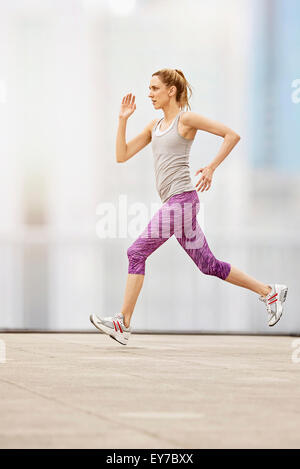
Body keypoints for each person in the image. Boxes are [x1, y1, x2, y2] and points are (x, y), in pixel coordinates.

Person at [90, 68, 288, 345]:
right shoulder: (153, 126)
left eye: (155, 89)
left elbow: (231, 135)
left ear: (172, 91)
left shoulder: (186, 119)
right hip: (178, 204)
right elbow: (121, 155)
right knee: (209, 265)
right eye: (149, 89)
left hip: (182, 202)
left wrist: (211, 167)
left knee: (136, 251)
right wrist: (122, 120)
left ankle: (123, 322)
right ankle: (269, 291)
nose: (149, 94)